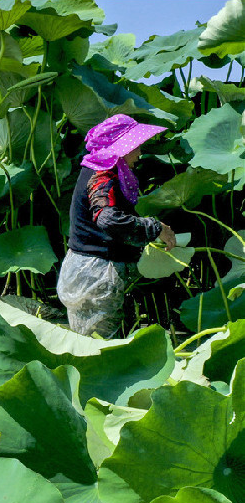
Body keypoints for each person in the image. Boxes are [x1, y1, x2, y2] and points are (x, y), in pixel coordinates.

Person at [56, 114, 177, 338]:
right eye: (136, 146)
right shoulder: (101, 177)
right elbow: (108, 219)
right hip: (96, 275)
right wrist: (154, 227)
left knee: (103, 346)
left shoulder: (98, 168)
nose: (139, 153)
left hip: (92, 270)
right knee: (99, 349)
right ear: (121, 147)